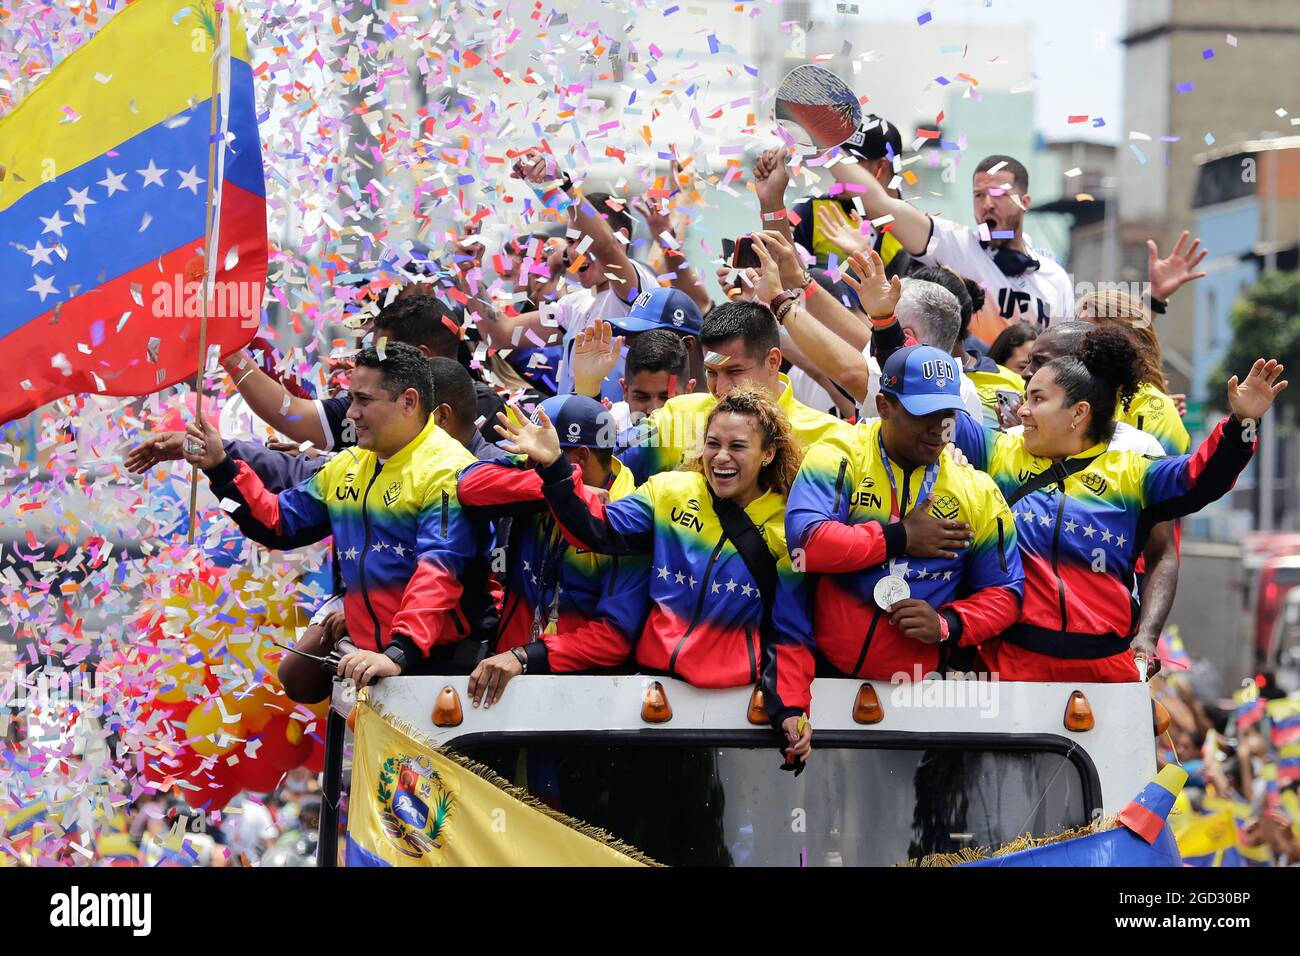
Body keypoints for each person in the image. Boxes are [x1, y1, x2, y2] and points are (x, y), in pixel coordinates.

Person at [946, 327, 1287, 682]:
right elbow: (937, 418)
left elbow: (1204, 477)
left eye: (1037, 399)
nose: (1023, 410)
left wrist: (1243, 423)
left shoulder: (1132, 472)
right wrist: (888, 324)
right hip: (1008, 663)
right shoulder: (1000, 451)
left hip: (1105, 673)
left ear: (1078, 413)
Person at [498, 386, 814, 757]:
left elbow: (792, 630)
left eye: (738, 446)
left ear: (768, 454)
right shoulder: (670, 490)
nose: (721, 457)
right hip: (649, 698)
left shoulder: (787, 525)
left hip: (735, 711)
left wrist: (791, 708)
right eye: (713, 443)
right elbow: (596, 529)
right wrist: (554, 468)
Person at [183, 343, 495, 683]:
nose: (351, 414)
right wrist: (221, 467)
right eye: (351, 400)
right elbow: (278, 523)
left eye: (364, 400)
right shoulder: (350, 464)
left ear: (408, 402)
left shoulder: (448, 469)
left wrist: (399, 652)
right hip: (375, 666)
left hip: (438, 669)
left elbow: (439, 572)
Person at [776, 345, 1024, 743]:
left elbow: (1005, 594)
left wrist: (947, 624)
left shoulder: (976, 489)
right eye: (923, 413)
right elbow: (807, 545)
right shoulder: (839, 454)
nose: (938, 428)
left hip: (924, 699)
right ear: (884, 405)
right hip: (825, 683)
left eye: (947, 415)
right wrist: (901, 537)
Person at [458, 396, 651, 707]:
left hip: (582, 697)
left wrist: (525, 657)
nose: (526, 466)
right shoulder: (539, 478)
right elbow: (469, 485)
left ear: (581, 458)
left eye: (535, 457)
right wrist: (564, 485)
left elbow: (614, 638)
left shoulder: (628, 515)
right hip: (506, 681)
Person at [829, 152, 1074, 336]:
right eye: (979, 195)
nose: (987, 203)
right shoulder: (957, 245)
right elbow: (881, 203)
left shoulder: (1055, 277)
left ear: (1025, 202)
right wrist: (825, 150)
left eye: (998, 194)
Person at [616, 299, 854, 484]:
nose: (721, 389)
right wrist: (588, 388)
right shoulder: (676, 415)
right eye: (711, 372)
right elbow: (603, 466)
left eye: (734, 371)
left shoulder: (830, 438)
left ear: (772, 361)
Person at [786, 114, 913, 277]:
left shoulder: (912, 227)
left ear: (880, 166)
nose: (837, 170)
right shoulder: (812, 210)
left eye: (848, 162)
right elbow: (786, 273)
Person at [1075, 290, 1190, 457]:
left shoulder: (1154, 408)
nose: (1080, 346)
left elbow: (1157, 479)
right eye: (1077, 333)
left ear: (1130, 341)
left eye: (1091, 334)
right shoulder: (1071, 397)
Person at [572, 324, 696, 432]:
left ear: (688, 392)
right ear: (625, 391)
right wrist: (587, 389)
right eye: (642, 397)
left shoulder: (707, 432)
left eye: (666, 398)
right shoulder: (608, 426)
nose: (653, 410)